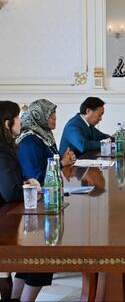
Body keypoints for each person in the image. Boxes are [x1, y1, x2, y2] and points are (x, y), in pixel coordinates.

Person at [0, 101, 52, 302]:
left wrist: (25, 182)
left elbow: (11, 182)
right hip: (5, 222)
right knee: (44, 254)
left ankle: (16, 298)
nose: (21, 121)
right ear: (7, 123)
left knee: (36, 249)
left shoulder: (7, 147)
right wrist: (32, 187)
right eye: (17, 117)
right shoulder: (2, 151)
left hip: (10, 217)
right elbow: (11, 192)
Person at [16, 99, 76, 184]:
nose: (55, 118)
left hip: (51, 186)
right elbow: (35, 176)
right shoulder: (29, 140)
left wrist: (65, 158)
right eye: (50, 116)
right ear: (38, 117)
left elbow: (50, 160)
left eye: (54, 115)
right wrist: (62, 163)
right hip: (38, 190)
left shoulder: (45, 134)